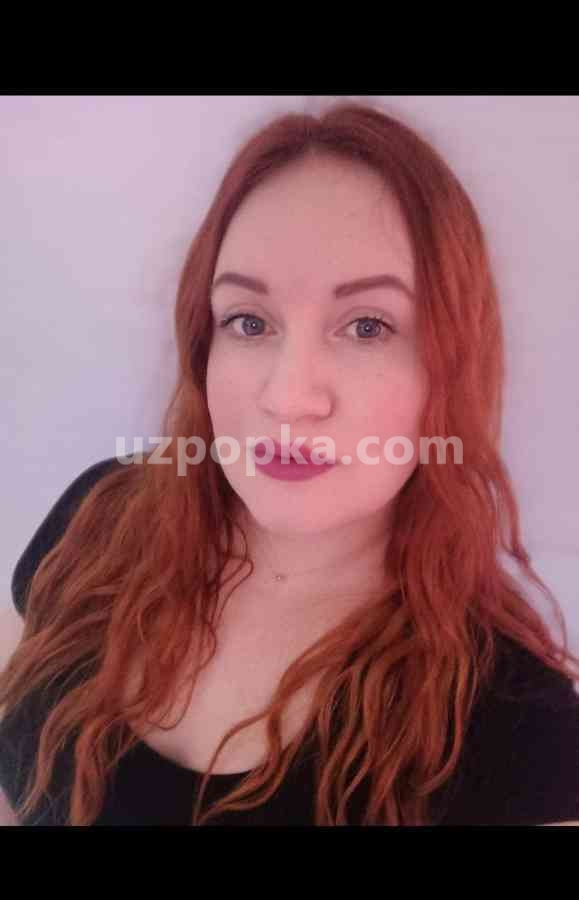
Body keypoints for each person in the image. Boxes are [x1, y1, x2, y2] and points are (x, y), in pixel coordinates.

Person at [1, 99, 578, 827]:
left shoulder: (516, 724)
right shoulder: (100, 514)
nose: (287, 397)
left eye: (367, 326)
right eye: (249, 321)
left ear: (451, 367)